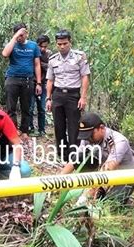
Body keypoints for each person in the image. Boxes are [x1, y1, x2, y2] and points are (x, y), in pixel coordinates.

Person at [60, 113, 134, 204]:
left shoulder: (119, 141)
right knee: (80, 157)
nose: (88, 138)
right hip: (102, 172)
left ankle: (104, 194)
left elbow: (108, 169)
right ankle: (92, 191)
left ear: (101, 128)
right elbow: (75, 160)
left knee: (109, 205)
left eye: (90, 135)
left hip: (123, 176)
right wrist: (58, 182)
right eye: (85, 135)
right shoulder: (88, 138)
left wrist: (85, 197)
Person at [45, 29, 90, 161]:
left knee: (74, 128)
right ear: (56, 44)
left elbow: (85, 77)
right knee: (59, 127)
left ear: (70, 42)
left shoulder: (79, 57)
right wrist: (48, 98)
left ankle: (74, 157)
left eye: (65, 43)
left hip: (73, 95)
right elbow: (50, 80)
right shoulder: (53, 59)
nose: (62, 46)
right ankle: (62, 156)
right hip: (57, 94)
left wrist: (83, 96)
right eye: (59, 44)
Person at [2, 23, 42, 141]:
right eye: (18, 35)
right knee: (11, 108)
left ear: (26, 33)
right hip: (12, 78)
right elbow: (5, 54)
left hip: (28, 80)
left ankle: (25, 131)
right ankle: (13, 131)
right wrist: (15, 37)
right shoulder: (12, 44)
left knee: (27, 108)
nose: (20, 37)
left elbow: (37, 64)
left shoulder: (33, 45)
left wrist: (38, 83)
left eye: (22, 35)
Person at [29, 34, 52, 137]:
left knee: (42, 108)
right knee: (30, 107)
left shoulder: (48, 54)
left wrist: (40, 63)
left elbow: (50, 68)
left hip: (43, 84)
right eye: (41, 46)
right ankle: (30, 128)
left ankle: (42, 129)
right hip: (31, 82)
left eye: (45, 46)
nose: (43, 49)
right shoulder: (32, 52)